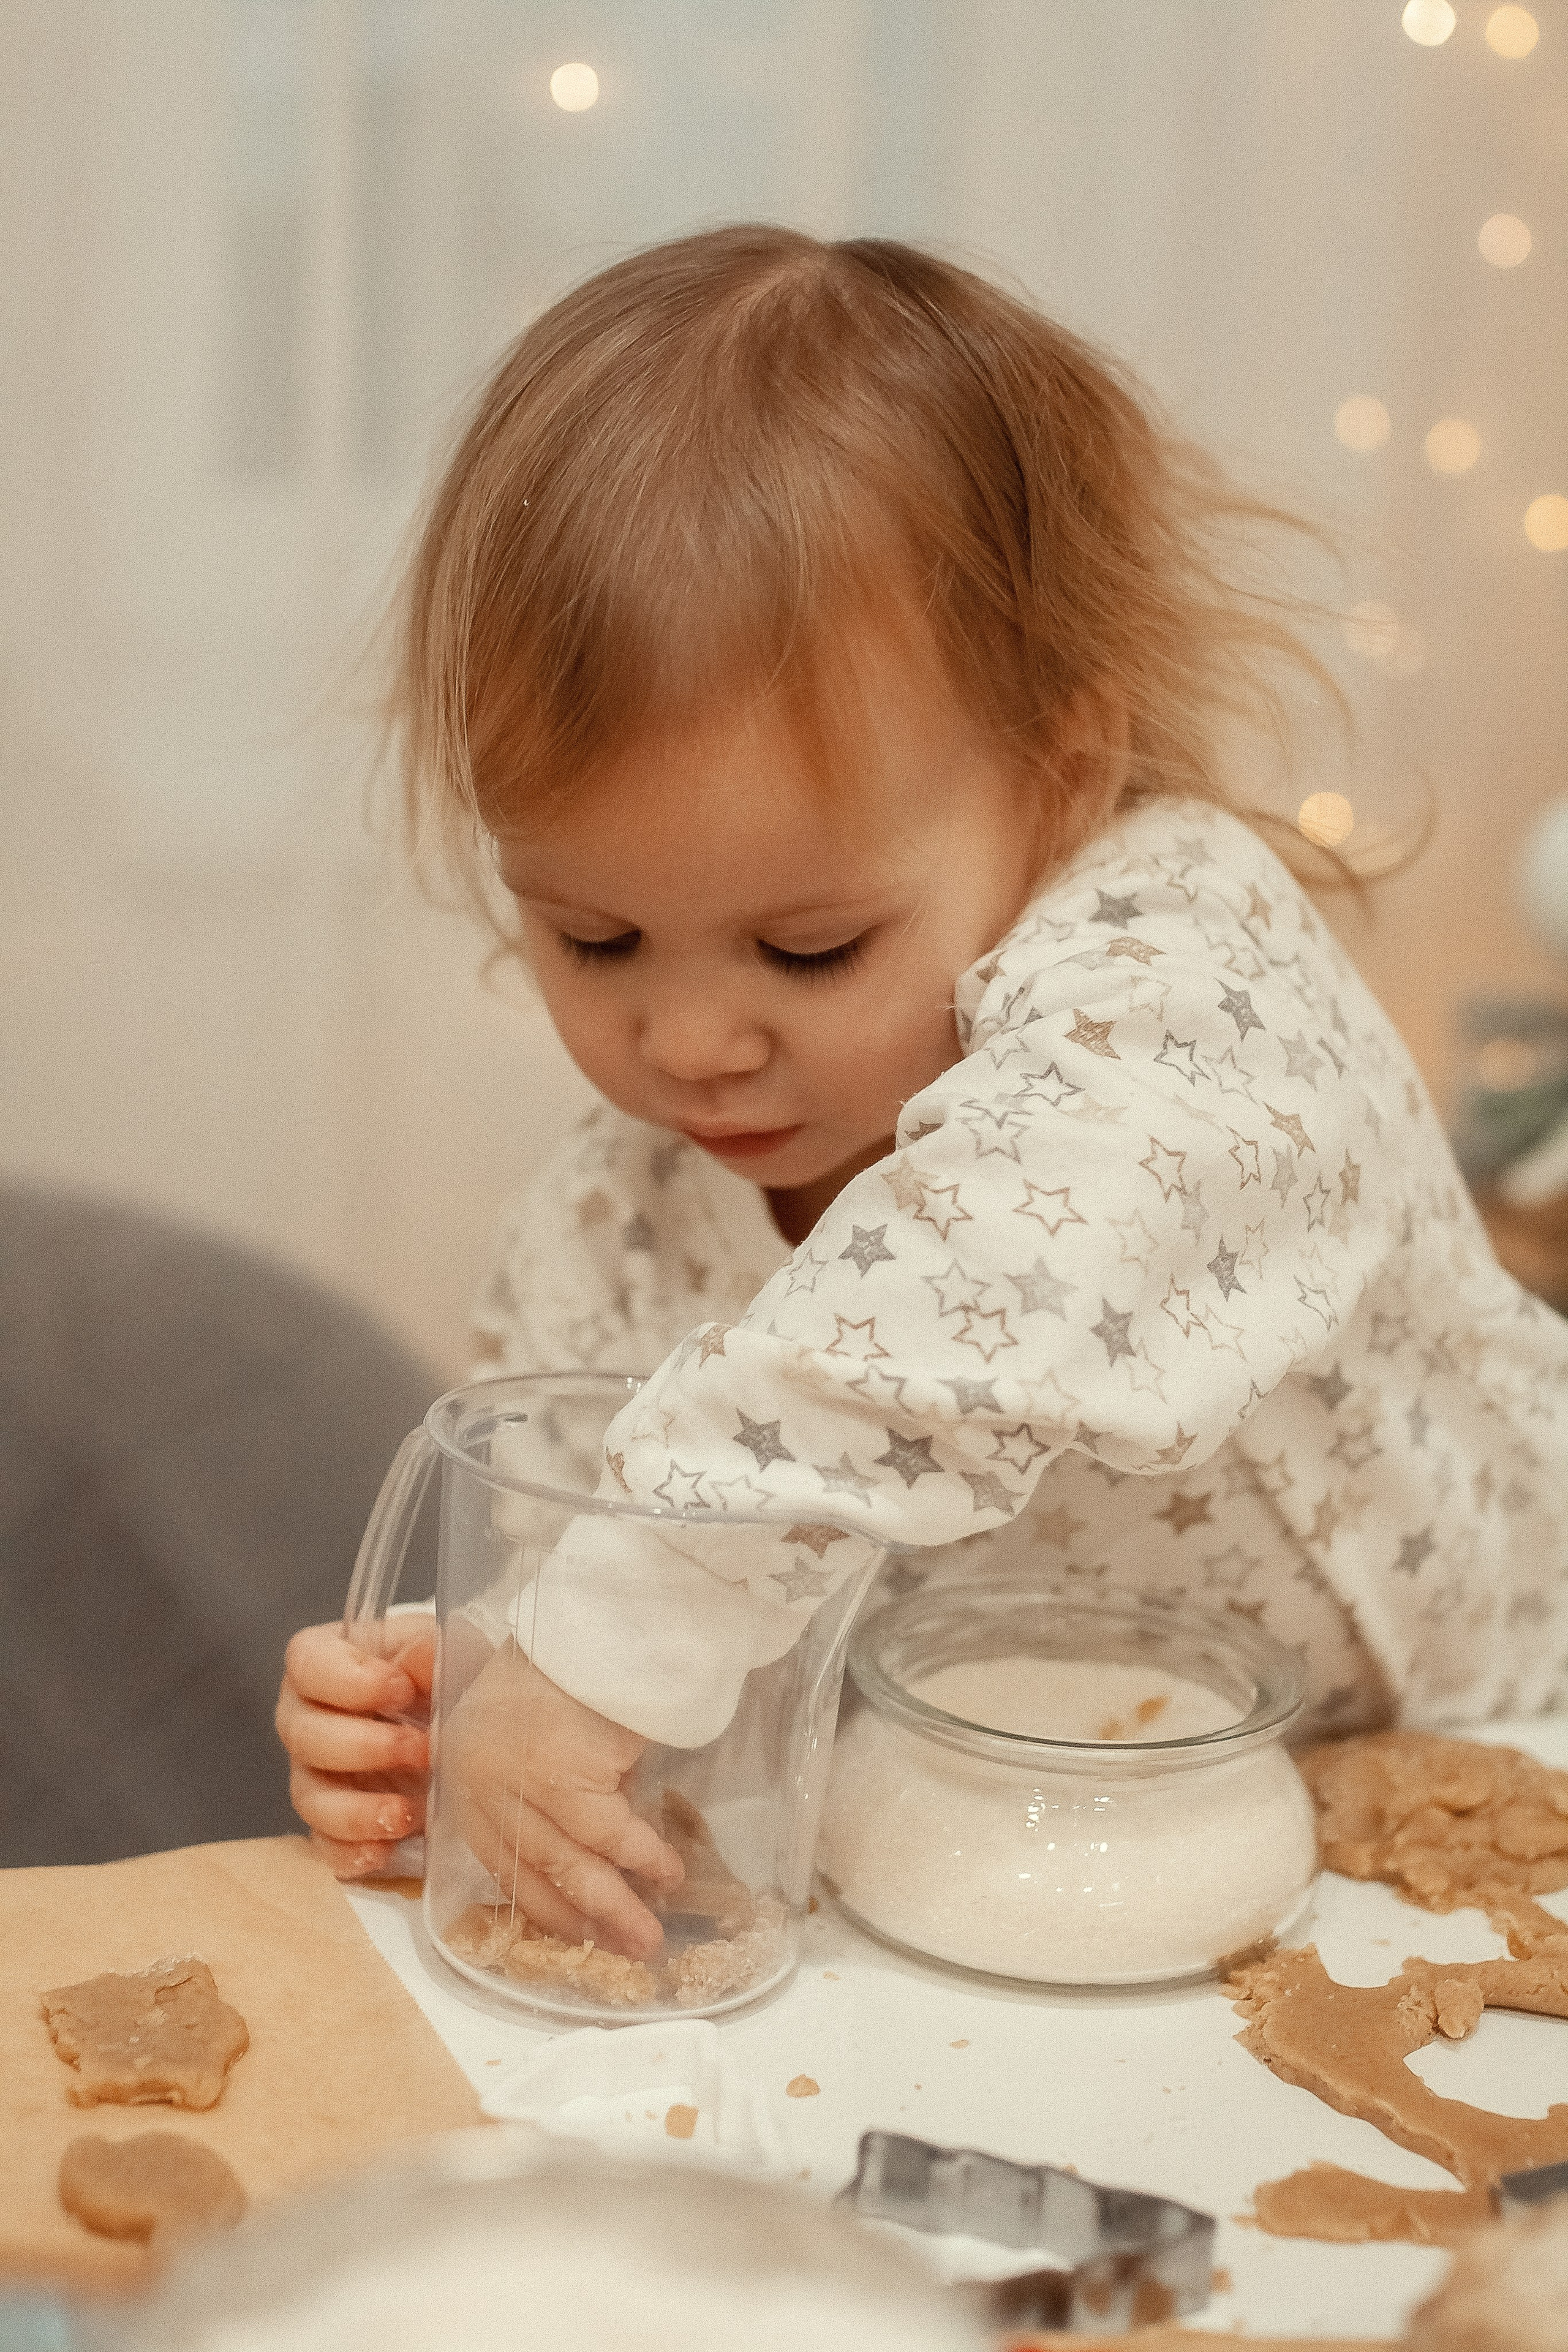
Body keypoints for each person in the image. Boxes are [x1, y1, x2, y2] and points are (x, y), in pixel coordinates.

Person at [276, 224, 1568, 1962]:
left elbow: (997, 1278)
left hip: (1500, 1743)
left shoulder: (1188, 970)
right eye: (595, 939)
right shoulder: (608, 1227)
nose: (694, 1043)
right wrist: (486, 1707)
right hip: (1041, 1896)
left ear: (1062, 770)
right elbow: (643, 1644)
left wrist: (618, 1633)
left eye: (807, 950)